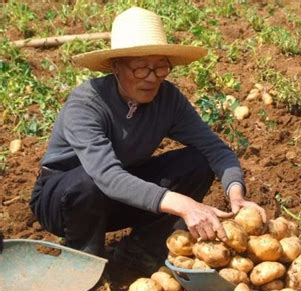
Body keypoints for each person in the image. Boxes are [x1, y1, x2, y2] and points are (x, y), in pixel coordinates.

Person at [29, 7, 266, 274]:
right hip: (63, 199)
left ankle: (140, 253)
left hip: (121, 194)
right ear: (116, 66)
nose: (152, 78)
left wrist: (236, 194)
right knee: (89, 182)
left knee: (197, 161)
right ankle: (83, 265)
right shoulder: (86, 104)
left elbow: (214, 149)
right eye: (141, 68)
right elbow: (106, 176)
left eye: (161, 67)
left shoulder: (168, 99)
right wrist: (185, 205)